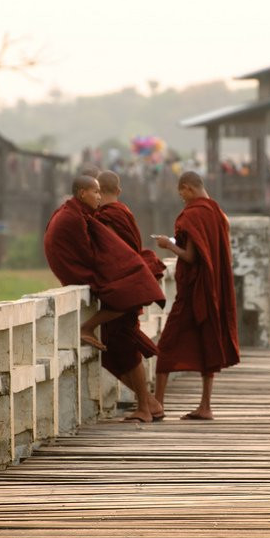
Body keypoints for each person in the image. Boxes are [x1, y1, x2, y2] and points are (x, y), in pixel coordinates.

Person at [43, 175, 165, 353]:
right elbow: (89, 256)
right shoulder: (74, 217)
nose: (99, 197)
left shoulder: (73, 211)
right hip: (76, 272)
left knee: (137, 273)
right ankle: (87, 327)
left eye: (100, 192)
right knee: (131, 291)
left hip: (75, 267)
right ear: (82, 194)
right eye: (96, 192)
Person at [153, 172, 240, 421]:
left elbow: (191, 257)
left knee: (166, 345)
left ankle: (158, 404)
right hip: (213, 289)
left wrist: (168, 245)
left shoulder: (192, 214)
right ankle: (205, 406)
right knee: (207, 343)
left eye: (181, 192)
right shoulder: (217, 213)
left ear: (188, 188)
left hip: (193, 292)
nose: (181, 198)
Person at [93, 170, 167, 423]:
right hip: (130, 283)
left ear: (98, 192)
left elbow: (113, 253)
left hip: (122, 287)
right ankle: (150, 403)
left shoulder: (106, 218)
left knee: (127, 348)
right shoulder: (124, 212)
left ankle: (144, 407)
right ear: (119, 191)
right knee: (111, 351)